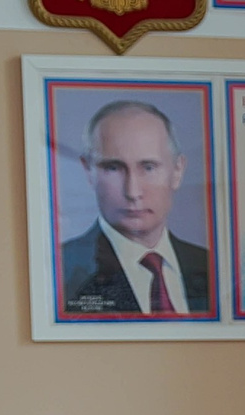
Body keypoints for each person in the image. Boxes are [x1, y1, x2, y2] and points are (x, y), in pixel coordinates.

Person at [59, 97, 210, 317]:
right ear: (87, 171)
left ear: (177, 171)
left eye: (148, 167)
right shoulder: (60, 271)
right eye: (113, 168)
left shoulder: (212, 267)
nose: (132, 191)